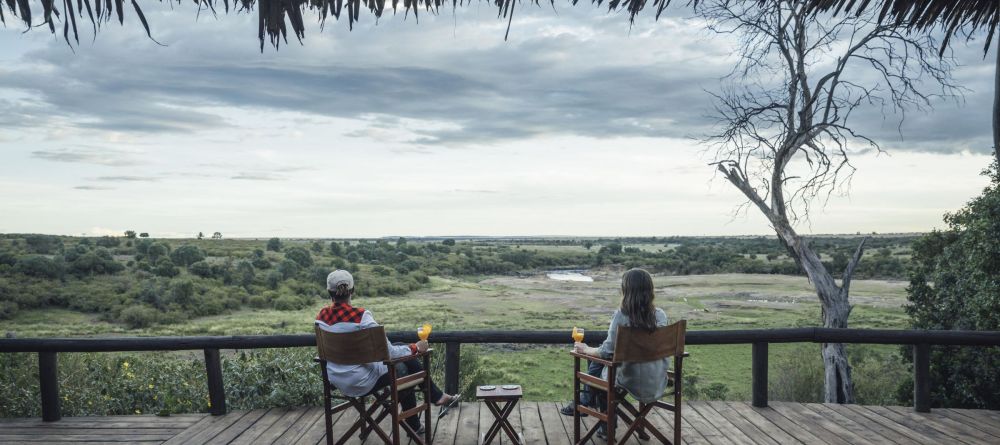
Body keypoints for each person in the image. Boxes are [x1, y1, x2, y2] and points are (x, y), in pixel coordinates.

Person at [316, 269, 459, 433]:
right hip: (362, 381)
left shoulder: (321, 317)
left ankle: (433, 400)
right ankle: (422, 413)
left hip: (336, 379)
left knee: (401, 351)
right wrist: (415, 348)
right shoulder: (361, 317)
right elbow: (389, 353)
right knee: (404, 369)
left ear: (329, 292)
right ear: (352, 291)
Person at [571, 268, 670, 439]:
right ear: (650, 290)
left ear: (626, 290)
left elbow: (606, 351)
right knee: (599, 364)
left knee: (599, 367)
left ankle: (593, 409)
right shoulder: (660, 315)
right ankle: (593, 406)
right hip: (657, 378)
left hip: (629, 379)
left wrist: (585, 349)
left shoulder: (621, 316)